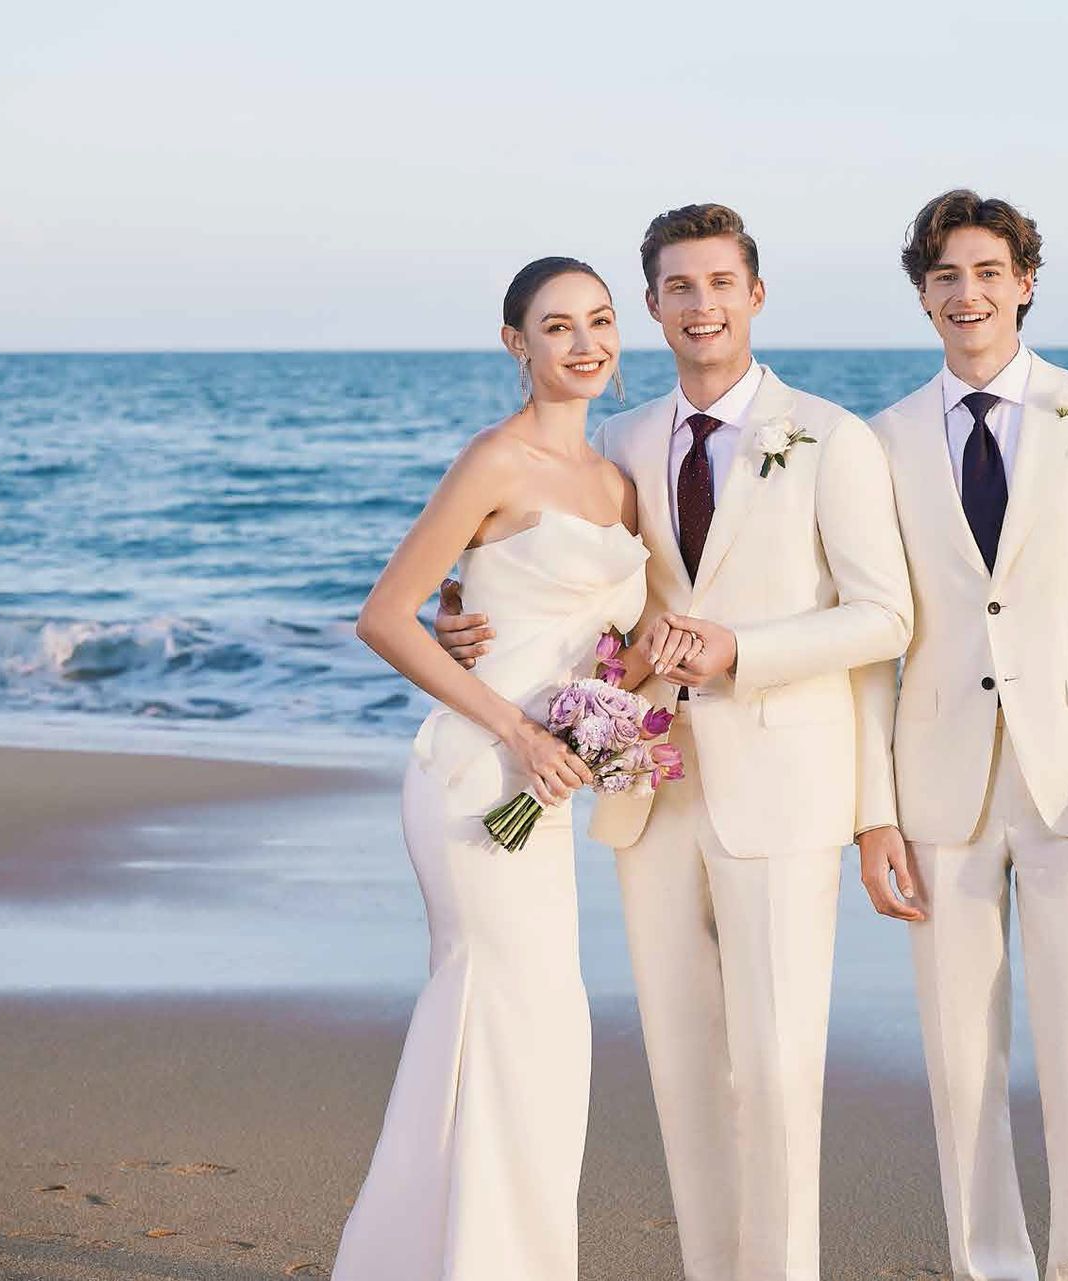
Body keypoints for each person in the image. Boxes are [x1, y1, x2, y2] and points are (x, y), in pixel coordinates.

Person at [436, 204, 913, 1281]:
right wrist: (461, 610)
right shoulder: (618, 441)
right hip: (644, 787)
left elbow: (886, 618)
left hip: (785, 788)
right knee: (683, 1072)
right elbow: (553, 582)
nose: (703, 306)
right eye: (680, 288)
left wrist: (741, 648)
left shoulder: (831, 437)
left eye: (721, 284)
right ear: (653, 305)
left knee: (779, 1070)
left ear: (756, 295)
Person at [854, 190, 1068, 1281]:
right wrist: (872, 813)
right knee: (961, 1064)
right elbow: (873, 643)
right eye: (946, 276)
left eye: (989, 272)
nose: (969, 294)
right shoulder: (883, 440)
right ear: (923, 295)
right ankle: (988, 1266)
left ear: (1026, 282)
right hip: (936, 787)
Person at [335, 257, 652, 1281]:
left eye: (600, 320)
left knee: (526, 1029)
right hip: (477, 776)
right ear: (516, 343)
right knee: (517, 1020)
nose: (585, 343)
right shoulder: (494, 460)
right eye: (557, 326)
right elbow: (387, 616)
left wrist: (616, 709)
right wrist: (516, 730)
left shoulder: (617, 482)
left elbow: (606, 641)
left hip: (545, 792)